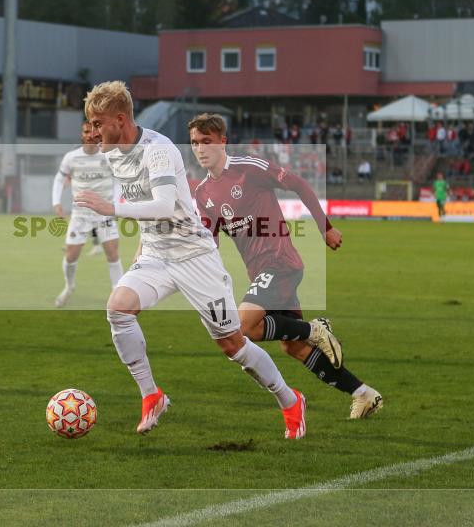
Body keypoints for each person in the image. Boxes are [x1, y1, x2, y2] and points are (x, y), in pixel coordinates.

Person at [75, 81, 307, 439]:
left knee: (232, 344)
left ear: (120, 119)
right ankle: (152, 394)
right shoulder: (112, 151)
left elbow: (165, 205)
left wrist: (111, 208)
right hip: (155, 255)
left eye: (98, 122)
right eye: (90, 123)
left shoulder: (159, 150)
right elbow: (141, 204)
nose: (93, 130)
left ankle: (290, 400)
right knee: (118, 309)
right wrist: (141, 247)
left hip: (194, 256)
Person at [189, 114, 382, 420]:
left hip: (279, 262)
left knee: (245, 326)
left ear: (222, 142)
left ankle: (316, 329)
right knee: (293, 347)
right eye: (195, 143)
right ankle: (363, 394)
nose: (200, 150)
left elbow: (298, 184)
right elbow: (209, 241)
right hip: (261, 272)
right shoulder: (202, 194)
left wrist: (325, 228)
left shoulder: (247, 168)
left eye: (207, 142)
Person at [51, 121, 123, 307]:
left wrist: (114, 204)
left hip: (104, 214)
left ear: (99, 133)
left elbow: (119, 180)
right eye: (86, 131)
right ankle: (69, 287)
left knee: (112, 253)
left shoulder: (108, 155)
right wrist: (56, 202)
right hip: (80, 215)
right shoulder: (71, 157)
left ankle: (118, 293)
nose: (90, 135)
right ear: (81, 134)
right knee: (70, 256)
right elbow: (59, 179)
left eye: (93, 131)